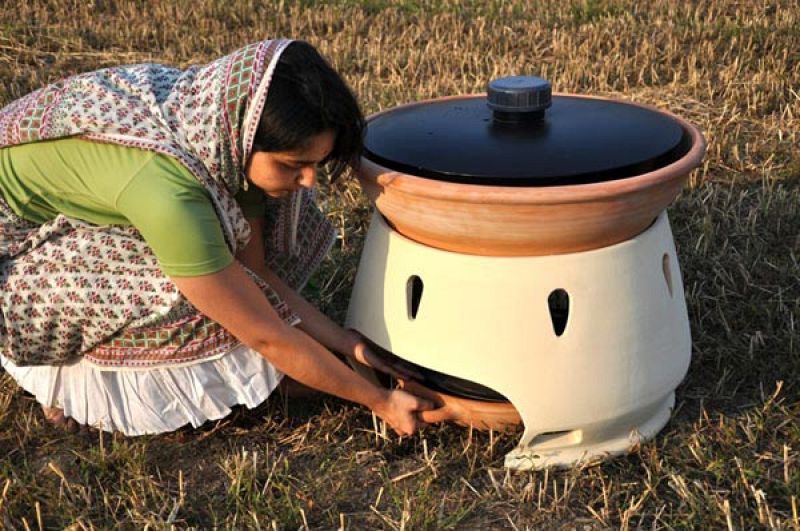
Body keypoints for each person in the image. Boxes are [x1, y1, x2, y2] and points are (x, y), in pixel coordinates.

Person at [0, 39, 435, 436]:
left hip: (84, 207)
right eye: (293, 164)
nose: (309, 181)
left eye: (316, 164)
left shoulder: (219, 129)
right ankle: (80, 392)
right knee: (184, 292)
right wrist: (379, 402)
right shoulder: (170, 195)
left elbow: (257, 272)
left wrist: (347, 343)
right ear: (245, 138)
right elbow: (265, 333)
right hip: (13, 262)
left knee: (229, 269)